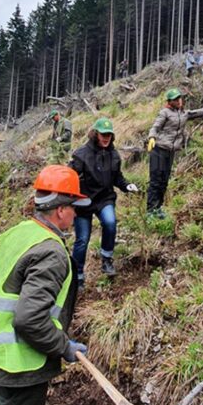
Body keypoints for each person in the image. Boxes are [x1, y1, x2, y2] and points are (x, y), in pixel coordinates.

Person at [0, 165, 90, 405]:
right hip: (17, 362)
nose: (76, 215)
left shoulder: (22, 232)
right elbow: (29, 320)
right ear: (61, 210)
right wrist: (63, 347)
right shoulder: (51, 253)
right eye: (74, 208)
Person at [69, 117, 138, 284]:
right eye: (103, 134)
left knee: (110, 222)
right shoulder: (80, 155)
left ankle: (106, 259)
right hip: (83, 202)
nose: (106, 137)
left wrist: (127, 186)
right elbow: (69, 177)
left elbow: (118, 178)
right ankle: (77, 277)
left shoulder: (114, 155)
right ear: (95, 134)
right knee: (82, 240)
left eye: (109, 134)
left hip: (104, 199)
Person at [146, 88, 203, 218]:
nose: (179, 101)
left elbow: (201, 111)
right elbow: (155, 127)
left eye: (179, 98)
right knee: (156, 180)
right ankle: (151, 210)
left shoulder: (185, 113)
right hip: (158, 150)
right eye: (175, 99)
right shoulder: (164, 113)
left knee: (164, 181)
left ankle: (158, 208)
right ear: (170, 102)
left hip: (171, 152)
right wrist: (151, 137)